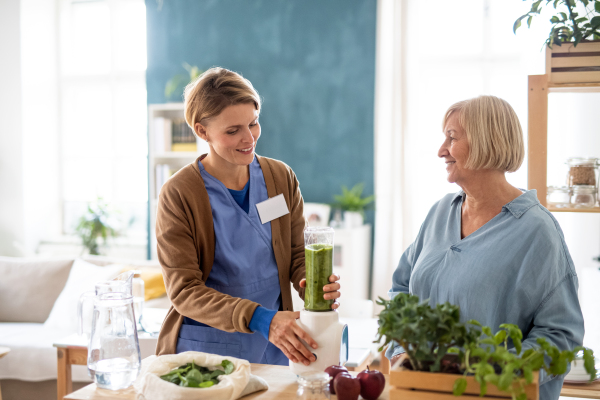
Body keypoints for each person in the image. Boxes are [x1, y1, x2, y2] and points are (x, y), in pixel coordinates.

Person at [386, 95, 584, 400]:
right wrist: (401, 351)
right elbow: (401, 288)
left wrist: (492, 373)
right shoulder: (440, 212)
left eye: (452, 138)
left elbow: (561, 336)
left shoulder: (537, 231)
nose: (441, 151)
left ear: (485, 141)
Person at [155, 67, 341, 366]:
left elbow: (295, 253)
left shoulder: (280, 178)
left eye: (253, 124)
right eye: (232, 130)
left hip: (276, 343)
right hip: (208, 348)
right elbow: (184, 291)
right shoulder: (179, 194)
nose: (248, 138)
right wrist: (261, 319)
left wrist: (309, 280)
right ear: (202, 131)